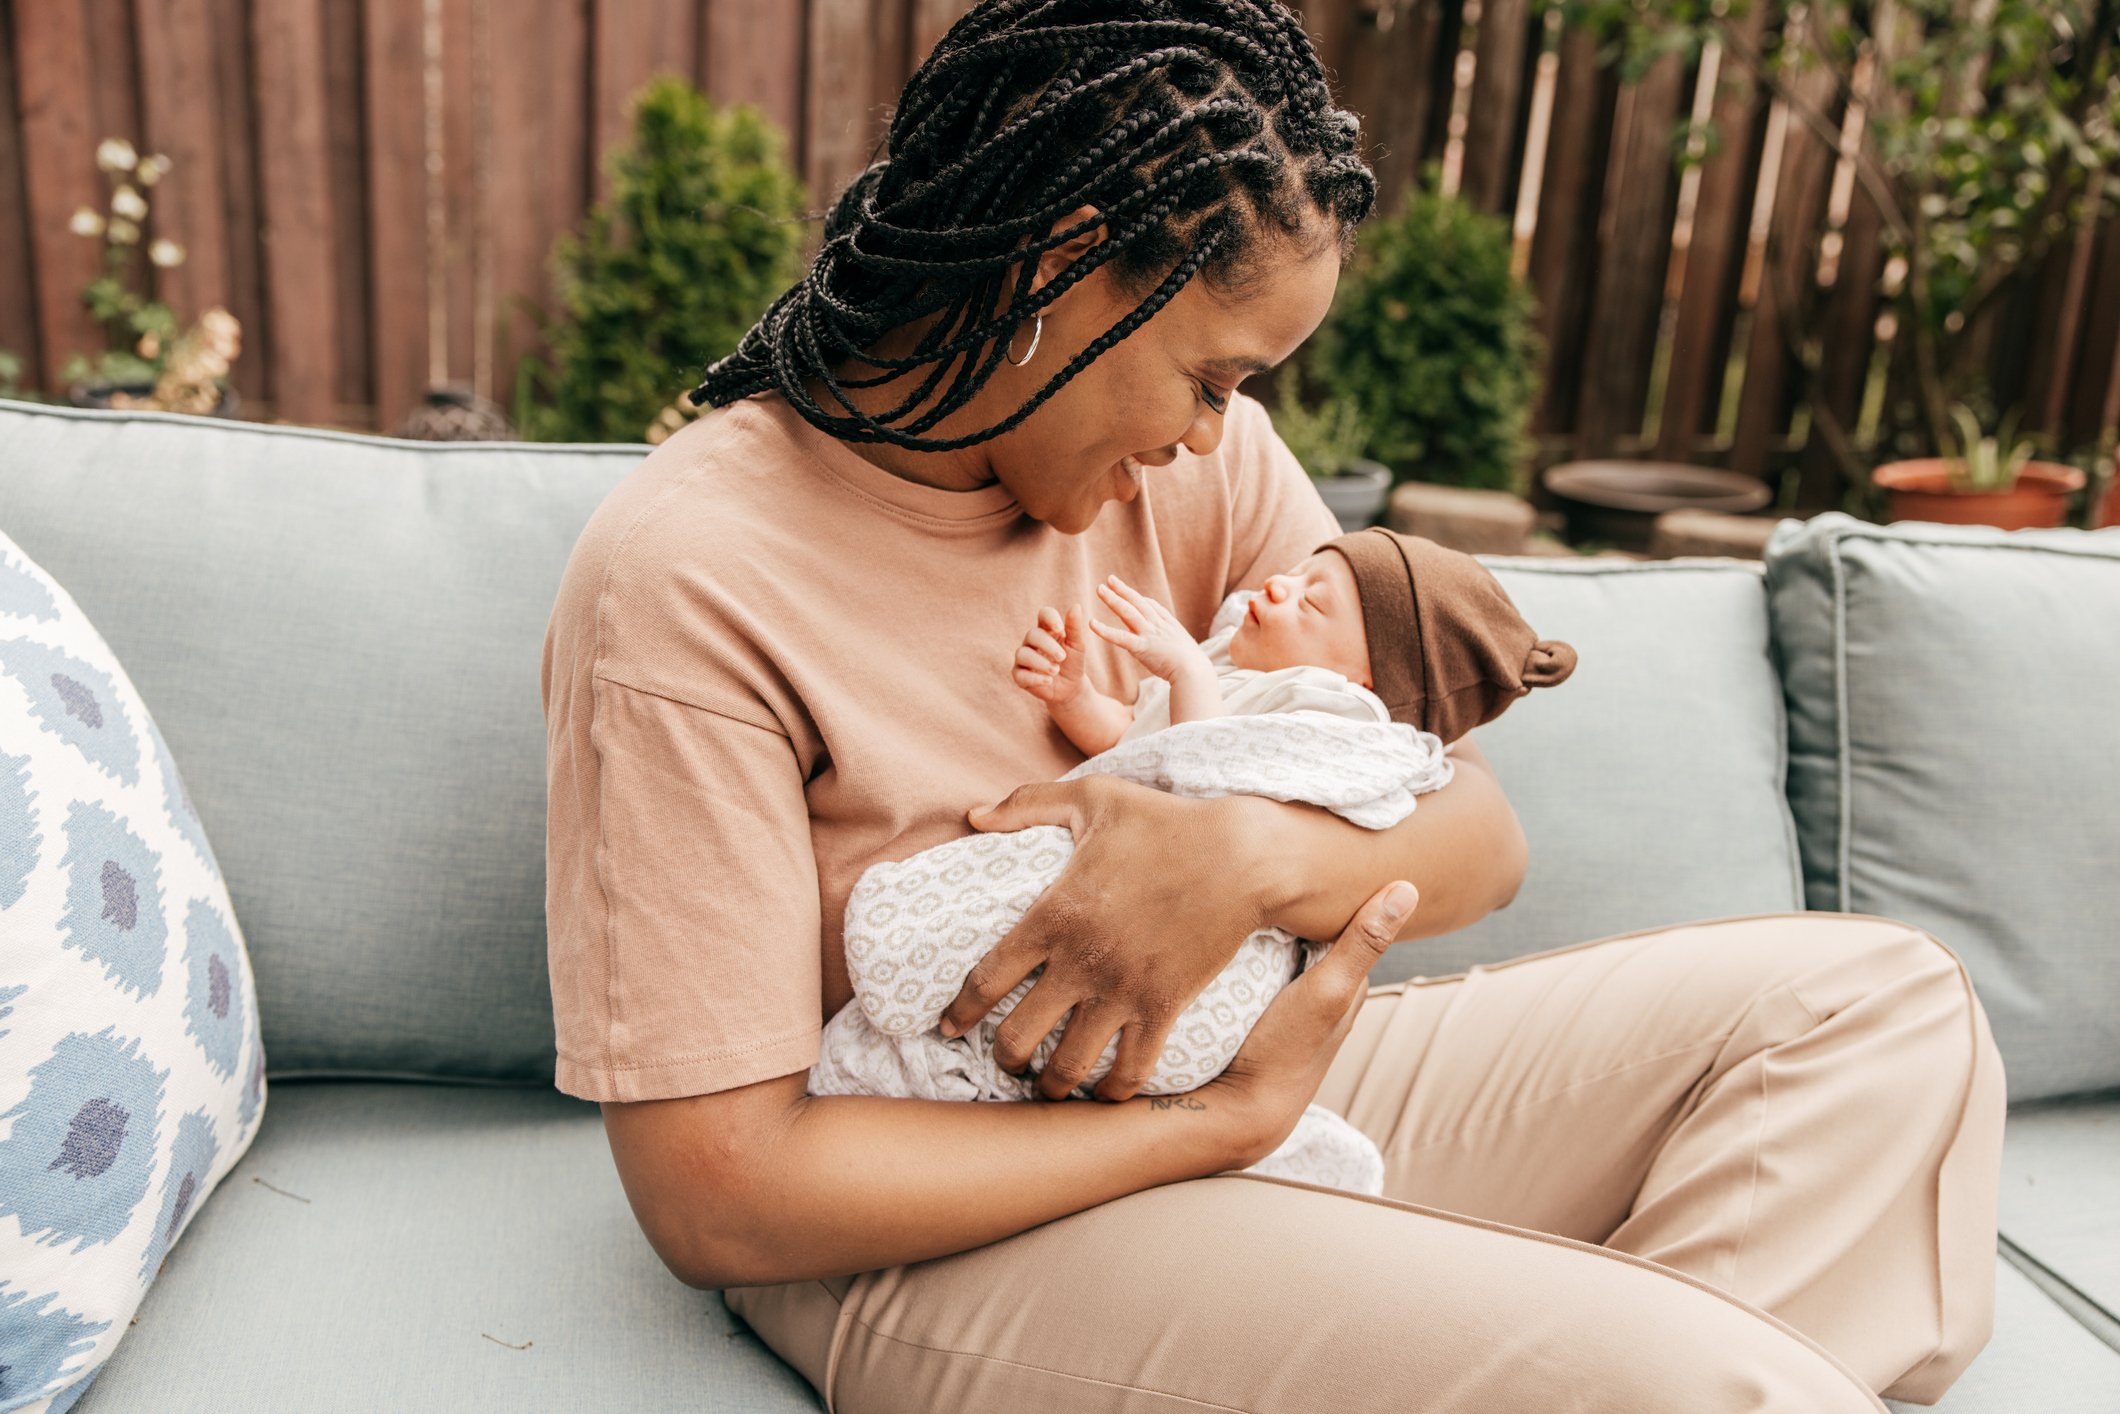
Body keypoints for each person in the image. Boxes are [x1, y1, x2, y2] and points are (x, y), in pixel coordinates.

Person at [540, 3, 2006, 1408]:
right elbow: (721, 1193)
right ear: (1062, 264)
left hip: (1262, 1063)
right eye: (1213, 377)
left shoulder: (1193, 463)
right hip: (940, 1211)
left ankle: (1605, 1356)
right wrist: (1209, 1127)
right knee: (1687, 1377)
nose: (1213, 433)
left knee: (1879, 1011)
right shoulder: (691, 574)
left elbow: (1476, 834)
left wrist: (1237, 863)